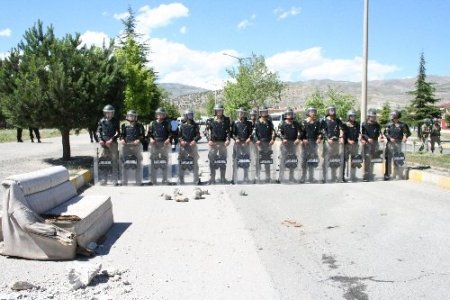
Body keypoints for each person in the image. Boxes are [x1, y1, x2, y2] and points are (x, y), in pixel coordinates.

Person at [205, 103, 231, 184]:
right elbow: (206, 131)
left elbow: (228, 131)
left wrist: (228, 139)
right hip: (214, 143)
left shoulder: (226, 120)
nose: (219, 112)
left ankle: (222, 178)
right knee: (212, 160)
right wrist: (209, 140)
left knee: (223, 160)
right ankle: (212, 178)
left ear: (222, 111)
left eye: (220, 110)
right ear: (215, 111)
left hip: (223, 143)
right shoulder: (210, 120)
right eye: (218, 110)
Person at [97, 104, 121, 185]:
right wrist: (100, 140)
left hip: (113, 143)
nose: (108, 114)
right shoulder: (101, 121)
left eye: (110, 113)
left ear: (112, 113)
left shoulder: (115, 121)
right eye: (107, 113)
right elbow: (98, 131)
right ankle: (104, 179)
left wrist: (111, 140)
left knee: (114, 161)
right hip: (103, 143)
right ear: (104, 113)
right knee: (103, 161)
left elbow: (118, 132)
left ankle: (115, 180)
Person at [383, 110, 411, 180]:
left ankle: (397, 174)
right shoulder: (388, 124)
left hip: (398, 144)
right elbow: (385, 133)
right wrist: (390, 138)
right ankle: (387, 174)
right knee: (388, 159)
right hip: (390, 144)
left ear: (397, 116)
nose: (392, 117)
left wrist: (405, 137)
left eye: (393, 116)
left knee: (397, 159)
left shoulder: (403, 125)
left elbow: (407, 132)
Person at [119, 110, 145, 185]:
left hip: (136, 146)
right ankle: (124, 180)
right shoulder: (123, 125)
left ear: (135, 117)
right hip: (126, 146)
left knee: (138, 162)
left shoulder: (140, 125)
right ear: (127, 117)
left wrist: (138, 140)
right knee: (124, 162)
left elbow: (142, 136)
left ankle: (138, 180)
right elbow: (121, 135)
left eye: (133, 116)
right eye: (130, 116)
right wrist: (122, 139)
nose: (131, 117)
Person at [147, 108, 172, 184]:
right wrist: (151, 139)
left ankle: (165, 179)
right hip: (154, 144)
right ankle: (153, 179)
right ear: (156, 114)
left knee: (165, 161)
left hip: (164, 144)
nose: (160, 115)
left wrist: (168, 139)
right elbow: (149, 134)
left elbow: (171, 133)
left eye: (161, 114)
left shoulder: (167, 123)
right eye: (158, 114)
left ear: (164, 115)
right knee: (153, 161)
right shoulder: (152, 123)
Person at [278, 108, 303, 183]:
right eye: (288, 114)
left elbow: (300, 132)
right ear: (285, 115)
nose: (289, 116)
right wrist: (283, 139)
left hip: (294, 144)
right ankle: (281, 177)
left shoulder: (296, 123)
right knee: (283, 160)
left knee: (292, 161)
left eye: (291, 114)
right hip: (285, 144)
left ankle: (291, 177)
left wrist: (298, 139)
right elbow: (278, 132)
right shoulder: (282, 123)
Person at [321, 105, 344, 183]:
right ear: (328, 111)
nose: (333, 112)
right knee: (326, 159)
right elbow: (323, 131)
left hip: (336, 142)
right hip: (328, 142)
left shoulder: (338, 120)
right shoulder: (324, 121)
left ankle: (334, 176)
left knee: (335, 159)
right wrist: (327, 139)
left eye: (334, 110)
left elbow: (341, 129)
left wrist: (341, 137)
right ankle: (324, 177)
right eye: (331, 110)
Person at [178, 109, 201, 184]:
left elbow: (198, 135)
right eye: (189, 115)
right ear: (185, 116)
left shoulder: (195, 125)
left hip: (192, 145)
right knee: (182, 162)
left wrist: (194, 140)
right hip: (183, 146)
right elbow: (178, 136)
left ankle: (196, 179)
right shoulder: (182, 126)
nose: (191, 116)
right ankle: (181, 179)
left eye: (191, 115)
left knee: (194, 162)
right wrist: (181, 141)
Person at [253, 106, 276, 183]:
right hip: (259, 144)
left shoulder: (269, 122)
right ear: (260, 113)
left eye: (266, 112)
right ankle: (257, 176)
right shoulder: (257, 122)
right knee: (258, 160)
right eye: (263, 112)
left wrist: (273, 139)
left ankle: (268, 177)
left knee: (267, 160)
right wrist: (257, 140)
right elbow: (254, 133)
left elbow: (273, 131)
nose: (264, 113)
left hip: (268, 143)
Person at [231, 107, 253, 183]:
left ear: (244, 114)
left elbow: (251, 133)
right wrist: (236, 139)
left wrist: (249, 138)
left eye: (242, 113)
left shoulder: (249, 123)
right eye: (239, 113)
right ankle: (234, 178)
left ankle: (246, 177)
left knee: (246, 160)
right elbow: (232, 134)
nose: (240, 114)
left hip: (246, 143)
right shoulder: (235, 123)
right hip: (237, 144)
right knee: (236, 160)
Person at [300, 107, 322, 183]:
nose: (313, 113)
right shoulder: (304, 122)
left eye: (314, 111)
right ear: (308, 113)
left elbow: (320, 132)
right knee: (304, 160)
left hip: (314, 143)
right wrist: (303, 139)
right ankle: (303, 177)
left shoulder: (317, 122)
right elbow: (301, 132)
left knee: (312, 160)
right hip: (306, 143)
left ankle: (311, 177)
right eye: (312, 111)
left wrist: (319, 138)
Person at [361, 109, 383, 181]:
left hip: (375, 143)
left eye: (374, 117)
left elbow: (380, 133)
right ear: (369, 116)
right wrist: (367, 139)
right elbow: (362, 134)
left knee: (373, 159)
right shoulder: (364, 124)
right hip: (367, 143)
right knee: (367, 159)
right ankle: (366, 174)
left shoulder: (377, 125)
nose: (373, 118)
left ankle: (371, 173)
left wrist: (381, 138)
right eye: (372, 116)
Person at [342, 110, 361, 182]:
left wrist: (359, 138)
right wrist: (348, 140)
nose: (353, 117)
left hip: (355, 144)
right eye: (352, 116)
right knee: (344, 160)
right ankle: (342, 176)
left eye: (354, 116)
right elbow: (343, 134)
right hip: (346, 144)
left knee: (355, 160)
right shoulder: (344, 124)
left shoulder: (357, 124)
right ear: (348, 117)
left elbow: (359, 133)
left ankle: (353, 176)